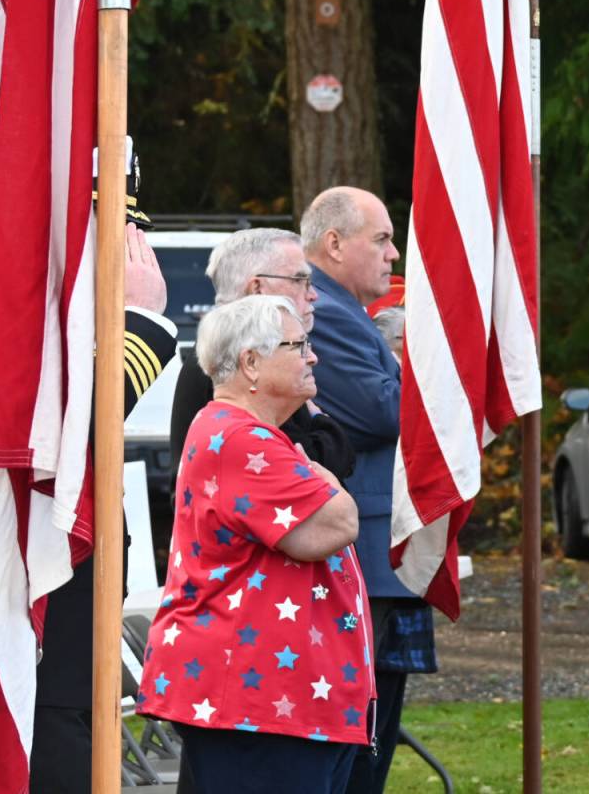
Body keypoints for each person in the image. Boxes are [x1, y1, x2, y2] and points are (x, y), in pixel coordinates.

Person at [136, 295, 373, 794]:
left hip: (267, 701)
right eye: (298, 345)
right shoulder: (242, 439)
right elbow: (335, 526)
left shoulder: (242, 432)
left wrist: (321, 481)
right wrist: (329, 486)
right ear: (250, 363)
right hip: (258, 703)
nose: (313, 356)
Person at [31, 222, 178, 793]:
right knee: (55, 730)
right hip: (45, 578)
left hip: (66, 580)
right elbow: (61, 433)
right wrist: (139, 326)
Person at [301, 187, 436, 792]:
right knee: (360, 738)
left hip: (379, 549)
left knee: (374, 730)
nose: (394, 253)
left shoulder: (345, 312)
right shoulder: (324, 312)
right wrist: (414, 367)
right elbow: (385, 413)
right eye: (380, 239)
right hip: (364, 550)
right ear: (333, 243)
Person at [169, 228, 356, 487]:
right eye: (300, 279)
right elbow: (315, 466)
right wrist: (320, 419)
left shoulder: (252, 351)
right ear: (258, 288)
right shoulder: (235, 359)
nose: (313, 294)